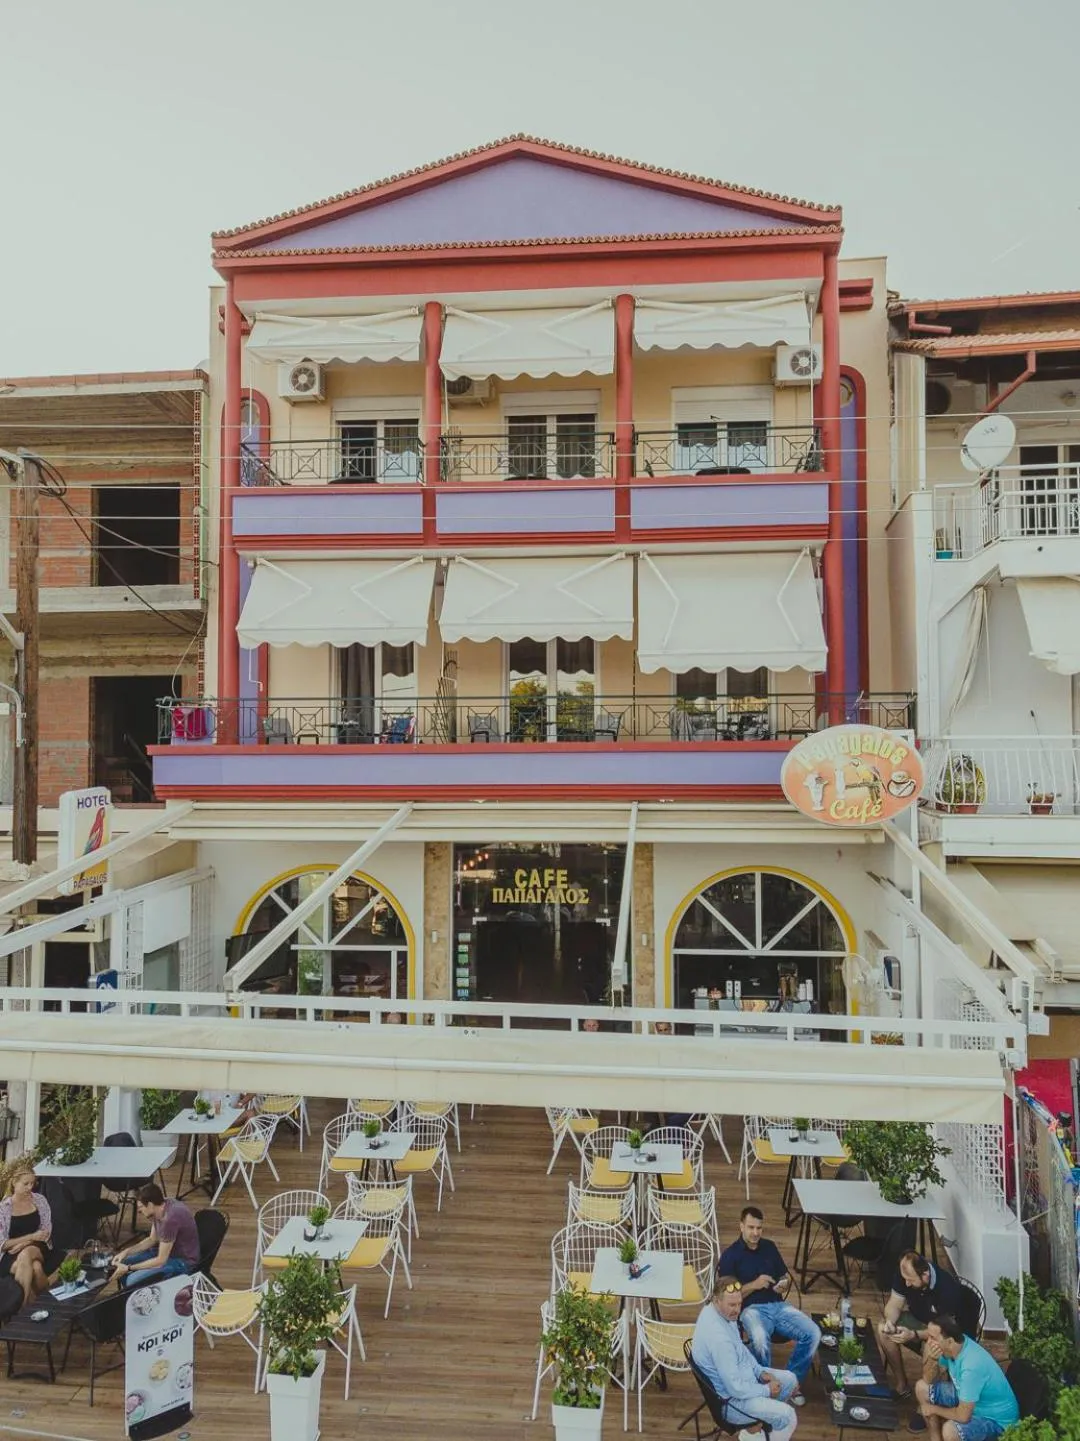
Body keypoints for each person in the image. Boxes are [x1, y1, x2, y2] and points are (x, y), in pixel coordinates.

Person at [718, 1205, 820, 1396]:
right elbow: (726, 1297)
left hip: (778, 1306)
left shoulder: (769, 1247)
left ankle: (791, 1383)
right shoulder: (731, 1256)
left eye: (759, 1228)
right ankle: (764, 1388)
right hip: (751, 1310)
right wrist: (754, 1285)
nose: (755, 1232)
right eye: (751, 1227)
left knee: (813, 1333)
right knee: (759, 1339)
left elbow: (785, 1277)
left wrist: (783, 1284)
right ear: (741, 1226)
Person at [691, 1274, 799, 1441]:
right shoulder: (719, 1340)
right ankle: (759, 1426)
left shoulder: (720, 1313)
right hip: (733, 1402)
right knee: (788, 1416)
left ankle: (761, 1423)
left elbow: (740, 1347)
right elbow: (735, 1388)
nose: (737, 1309)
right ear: (716, 1300)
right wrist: (766, 1390)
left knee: (790, 1380)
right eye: (732, 1305)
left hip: (743, 1378)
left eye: (740, 1303)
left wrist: (759, 1372)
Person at [913, 1314, 1018, 1441]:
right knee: (921, 1388)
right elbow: (928, 1380)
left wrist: (934, 1409)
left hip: (996, 1421)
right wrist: (932, 1360)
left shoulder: (971, 1366)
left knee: (950, 1430)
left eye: (932, 1338)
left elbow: (963, 1416)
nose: (928, 1342)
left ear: (950, 1341)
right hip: (971, 1399)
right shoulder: (954, 1346)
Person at [879, 1250, 967, 1397]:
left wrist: (913, 1335)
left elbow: (943, 1330)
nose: (906, 1283)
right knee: (883, 1330)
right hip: (919, 1321)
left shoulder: (947, 1289)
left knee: (931, 1348)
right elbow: (894, 1304)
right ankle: (902, 1385)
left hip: (944, 1333)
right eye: (905, 1279)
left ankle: (928, 1399)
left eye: (911, 1280)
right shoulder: (905, 1274)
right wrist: (890, 1322)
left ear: (925, 1275)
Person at [113, 1184, 199, 1290]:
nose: (139, 1212)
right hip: (167, 1252)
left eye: (140, 1207)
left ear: (150, 1205)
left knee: (132, 1280)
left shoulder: (170, 1219)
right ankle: (136, 1295)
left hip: (183, 1261)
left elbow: (160, 1261)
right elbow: (152, 1239)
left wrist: (129, 1268)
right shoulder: (159, 1208)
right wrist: (125, 1252)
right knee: (122, 1263)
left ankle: (141, 1295)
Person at [0, 1162, 55, 1305]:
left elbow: (46, 1231)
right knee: (35, 1268)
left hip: (37, 1246)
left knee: (26, 1254)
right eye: (26, 1184)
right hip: (9, 1254)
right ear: (14, 1183)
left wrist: (28, 1242)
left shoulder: (40, 1201)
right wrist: (29, 1237)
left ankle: (17, 1309)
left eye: (32, 1183)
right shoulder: (4, 1209)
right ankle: (47, 1305)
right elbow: (2, 1244)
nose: (30, 1188)